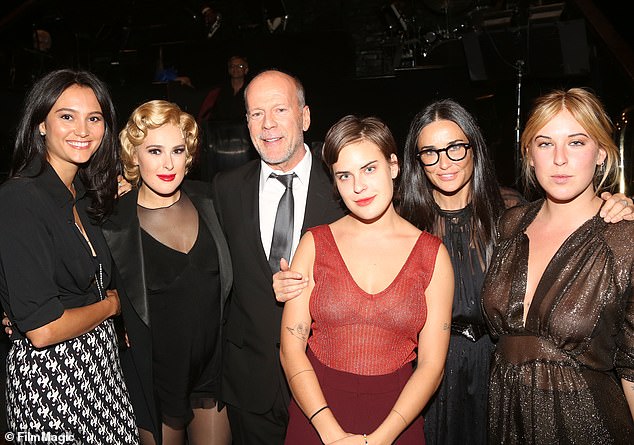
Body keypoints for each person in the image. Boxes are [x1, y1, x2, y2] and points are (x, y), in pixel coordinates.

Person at [280, 115, 454, 444]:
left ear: (393, 166)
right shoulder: (314, 244)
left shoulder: (432, 256)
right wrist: (330, 434)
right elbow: (291, 349)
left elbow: (432, 366)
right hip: (316, 411)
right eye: (345, 176)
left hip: (398, 417)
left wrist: (381, 439)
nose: (358, 186)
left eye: (369, 169)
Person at [481, 87, 634, 444]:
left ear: (601, 154)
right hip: (506, 422)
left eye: (577, 142)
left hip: (588, 426)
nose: (559, 159)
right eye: (545, 143)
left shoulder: (623, 238)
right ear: (530, 155)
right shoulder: (510, 224)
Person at [0, 68, 138, 443]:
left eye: (94, 118)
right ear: (41, 124)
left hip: (102, 369)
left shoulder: (85, 194)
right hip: (52, 381)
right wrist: (111, 307)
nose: (83, 130)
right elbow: (43, 330)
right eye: (67, 116)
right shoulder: (20, 198)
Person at [210, 69, 345, 444]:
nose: (267, 124)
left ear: (304, 116)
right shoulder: (225, 188)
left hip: (325, 381)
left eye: (280, 110)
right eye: (255, 113)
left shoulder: (342, 185)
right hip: (249, 385)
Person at [102, 100, 232, 445]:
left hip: (212, 372)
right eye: (155, 150)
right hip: (155, 378)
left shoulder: (210, 201)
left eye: (177, 150)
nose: (168, 163)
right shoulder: (114, 222)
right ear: (134, 155)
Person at [198, 55, 250, 123]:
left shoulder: (251, 90)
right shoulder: (218, 91)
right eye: (232, 66)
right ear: (229, 70)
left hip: (242, 130)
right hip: (220, 130)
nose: (235, 68)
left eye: (240, 66)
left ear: (246, 70)